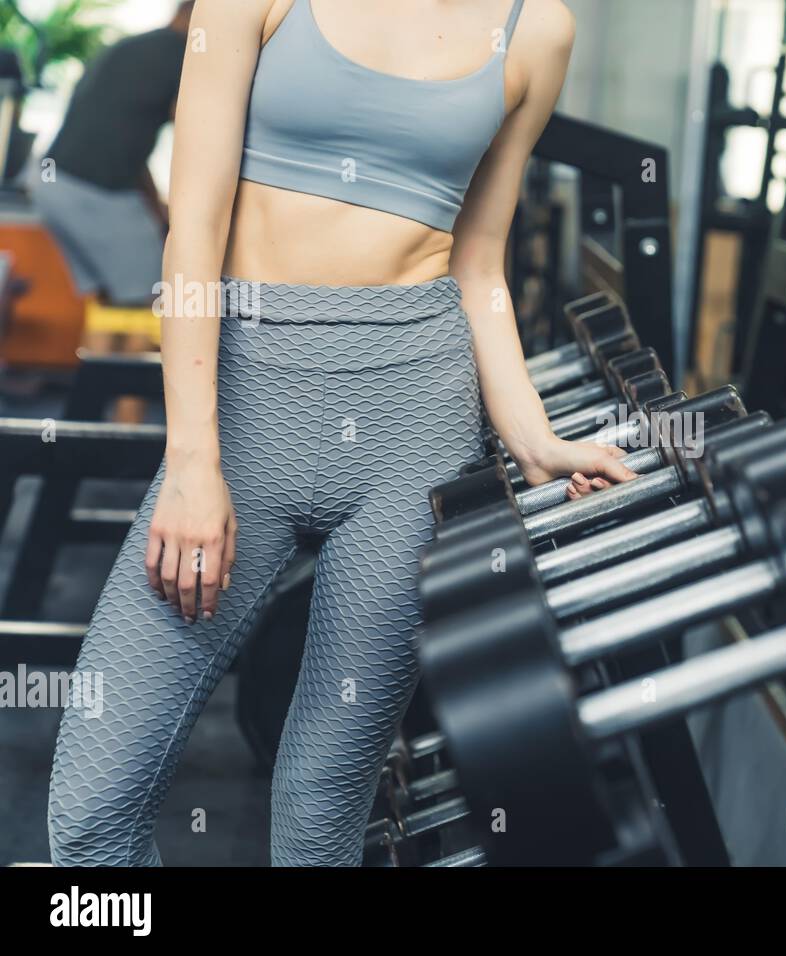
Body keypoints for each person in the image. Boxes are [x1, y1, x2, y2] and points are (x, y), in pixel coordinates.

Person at [46, 0, 632, 866]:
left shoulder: (537, 27)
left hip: (415, 423)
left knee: (322, 810)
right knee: (91, 811)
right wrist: (193, 462)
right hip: (245, 416)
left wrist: (533, 438)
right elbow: (194, 233)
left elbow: (479, 262)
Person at [29, 2, 194, 307]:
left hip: (50, 181)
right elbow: (198, 128)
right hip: (90, 189)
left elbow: (127, 139)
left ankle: (103, 353)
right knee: (159, 291)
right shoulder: (184, 55)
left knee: (110, 294)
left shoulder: (130, 46)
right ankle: (129, 354)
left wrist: (156, 207)